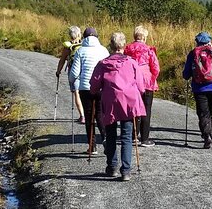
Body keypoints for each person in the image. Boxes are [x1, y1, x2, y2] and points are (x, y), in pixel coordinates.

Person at [90, 32, 146, 181]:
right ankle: (126, 171)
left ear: (111, 45)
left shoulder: (103, 64)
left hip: (110, 102)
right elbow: (141, 87)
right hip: (128, 102)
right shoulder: (132, 62)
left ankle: (112, 167)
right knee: (127, 136)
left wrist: (96, 91)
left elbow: (94, 86)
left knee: (111, 135)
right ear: (123, 45)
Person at [68, 27, 110, 154]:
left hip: (85, 88)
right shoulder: (104, 50)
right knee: (100, 114)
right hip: (101, 87)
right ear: (97, 37)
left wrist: (72, 80)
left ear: (84, 38)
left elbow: (74, 73)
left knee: (89, 116)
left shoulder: (80, 51)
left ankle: (92, 147)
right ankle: (105, 139)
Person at [182, 31, 212, 149]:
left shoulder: (193, 54)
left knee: (203, 112)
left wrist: (188, 77)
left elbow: (186, 74)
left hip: (199, 88)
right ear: (209, 41)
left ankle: (206, 135)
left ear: (197, 42)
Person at [124, 25, 160, 147]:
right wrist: (152, 78)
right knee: (146, 109)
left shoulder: (128, 49)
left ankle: (134, 136)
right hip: (147, 81)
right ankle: (144, 138)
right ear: (144, 37)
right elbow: (156, 67)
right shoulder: (149, 50)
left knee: (134, 108)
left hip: (132, 81)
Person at [55, 25, 85, 123]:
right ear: (79, 34)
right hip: (84, 71)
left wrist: (58, 71)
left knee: (76, 92)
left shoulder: (68, 46)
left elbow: (62, 60)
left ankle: (82, 115)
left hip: (73, 71)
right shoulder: (84, 44)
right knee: (84, 92)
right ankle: (88, 114)